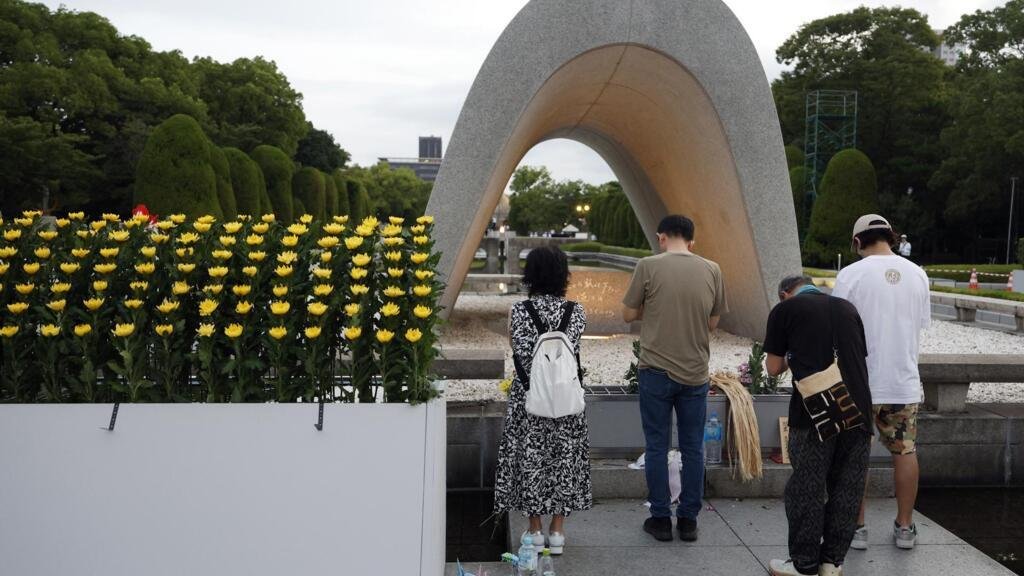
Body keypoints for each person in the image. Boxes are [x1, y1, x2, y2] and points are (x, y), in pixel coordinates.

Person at [621, 214, 727, 543]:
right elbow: (713, 322)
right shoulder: (712, 269)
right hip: (695, 373)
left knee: (656, 447)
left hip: (655, 370)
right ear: (692, 241)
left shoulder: (648, 266)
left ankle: (660, 520)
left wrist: (652, 309)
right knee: (693, 448)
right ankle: (689, 521)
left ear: (662, 237)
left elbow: (627, 314)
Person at [763, 276, 873, 576]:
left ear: (785, 294)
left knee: (807, 488)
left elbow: (773, 368)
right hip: (858, 409)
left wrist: (790, 353)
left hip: (815, 411)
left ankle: (804, 564)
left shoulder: (786, 310)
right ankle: (832, 562)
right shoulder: (847, 308)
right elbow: (857, 357)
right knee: (846, 488)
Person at [832, 214, 931, 551]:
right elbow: (920, 324)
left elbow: (838, 329)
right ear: (891, 237)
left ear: (858, 242)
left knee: (853, 455)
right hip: (902, 380)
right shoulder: (918, 274)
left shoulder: (850, 275)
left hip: (857, 382)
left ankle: (857, 528)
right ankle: (905, 528)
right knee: (905, 451)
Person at [493, 245, 592, 555]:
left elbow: (518, 352)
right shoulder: (576, 311)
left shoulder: (518, 311)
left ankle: (535, 531)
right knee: (564, 460)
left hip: (529, 397)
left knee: (530, 461)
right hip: (565, 398)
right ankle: (558, 532)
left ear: (530, 274)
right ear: (564, 275)